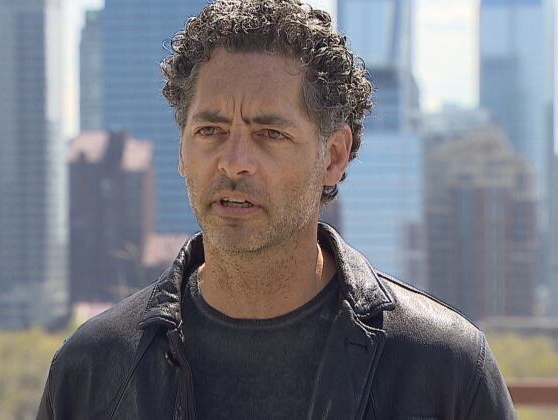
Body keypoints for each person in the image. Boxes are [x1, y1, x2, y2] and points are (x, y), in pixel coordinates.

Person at [37, 1, 516, 418]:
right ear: (182, 151)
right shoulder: (92, 371)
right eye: (211, 131)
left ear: (333, 156)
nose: (235, 162)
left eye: (270, 134)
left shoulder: (446, 369)